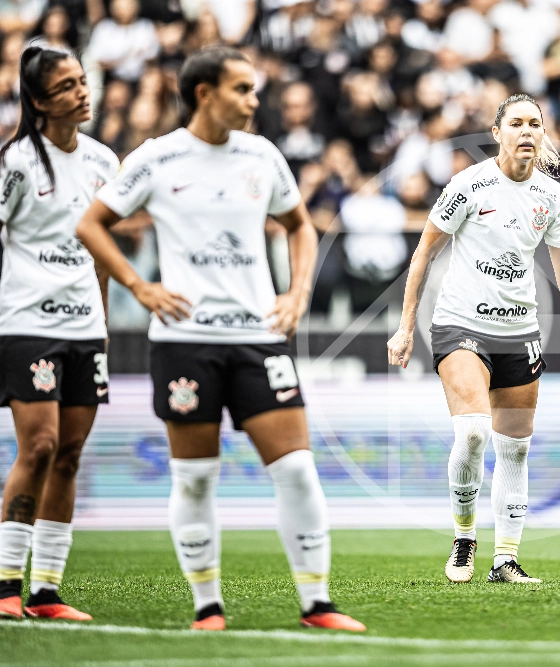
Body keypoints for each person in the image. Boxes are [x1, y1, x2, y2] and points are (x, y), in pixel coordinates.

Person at [75, 46, 365, 633]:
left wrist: (298, 292)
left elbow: (299, 226)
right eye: (242, 89)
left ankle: (318, 604)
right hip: (183, 343)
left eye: (255, 90)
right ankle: (208, 607)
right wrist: (140, 285)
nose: (255, 101)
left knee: (298, 471)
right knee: (196, 477)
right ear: (204, 93)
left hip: (259, 340)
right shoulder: (158, 159)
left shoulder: (262, 155)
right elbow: (92, 224)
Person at [387, 93, 560, 584]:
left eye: (535, 124)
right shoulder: (468, 186)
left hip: (519, 332)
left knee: (515, 449)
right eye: (517, 123)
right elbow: (422, 255)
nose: (527, 132)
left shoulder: (550, 196)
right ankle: (464, 539)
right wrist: (405, 327)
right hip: (461, 324)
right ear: (498, 132)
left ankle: (505, 559)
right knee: (472, 433)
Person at [0, 46, 118, 622]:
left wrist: (103, 317)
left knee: (69, 454)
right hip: (25, 325)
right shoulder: (16, 163)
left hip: (85, 330)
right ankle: (4, 585)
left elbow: (102, 253)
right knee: (40, 445)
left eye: (82, 81)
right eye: (68, 86)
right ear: (41, 102)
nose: (82, 92)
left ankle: (46, 591)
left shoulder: (103, 161)